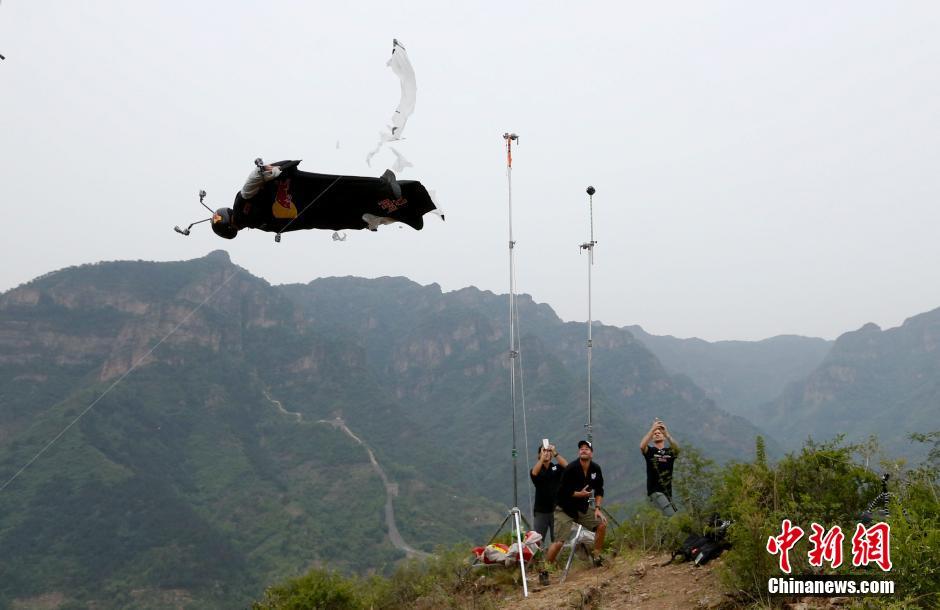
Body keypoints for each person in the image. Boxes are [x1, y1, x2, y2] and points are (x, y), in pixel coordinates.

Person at [209, 160, 438, 239]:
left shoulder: (259, 222)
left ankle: (401, 214)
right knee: (344, 187)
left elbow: (253, 181)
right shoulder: (249, 211)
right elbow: (252, 180)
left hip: (317, 210)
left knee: (355, 213)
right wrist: (272, 172)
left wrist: (270, 173)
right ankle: (390, 198)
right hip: (310, 198)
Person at [544, 440, 607, 572]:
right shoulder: (571, 468)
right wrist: (579, 494)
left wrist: (597, 508)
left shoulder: (595, 469)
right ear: (579, 452)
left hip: (581, 508)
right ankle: (544, 570)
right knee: (559, 542)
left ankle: (596, 557)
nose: (583, 450)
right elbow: (561, 492)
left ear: (592, 453)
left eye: (587, 448)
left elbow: (599, 490)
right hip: (564, 509)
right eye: (581, 448)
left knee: (601, 524)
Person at [530, 442, 568, 585]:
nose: (546, 453)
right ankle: (542, 572)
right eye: (543, 451)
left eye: (548, 451)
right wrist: (542, 459)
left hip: (556, 510)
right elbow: (534, 474)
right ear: (539, 454)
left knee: (557, 541)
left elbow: (567, 466)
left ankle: (552, 567)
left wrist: (555, 453)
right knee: (538, 542)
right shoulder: (537, 469)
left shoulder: (556, 468)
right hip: (541, 512)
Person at [640, 418, 680, 516]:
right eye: (655, 433)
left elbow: (677, 449)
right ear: (652, 438)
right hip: (655, 491)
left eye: (659, 433)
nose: (657, 434)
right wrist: (652, 429)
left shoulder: (669, 452)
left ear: (663, 436)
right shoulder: (650, 451)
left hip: (667, 492)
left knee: (667, 518)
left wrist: (666, 433)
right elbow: (642, 446)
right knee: (672, 517)